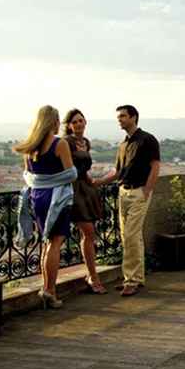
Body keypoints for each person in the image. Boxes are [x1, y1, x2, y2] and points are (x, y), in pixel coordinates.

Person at [14, 105, 77, 309]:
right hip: (56, 198)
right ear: (55, 122)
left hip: (36, 196)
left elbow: (28, 176)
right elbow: (71, 174)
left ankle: (47, 288)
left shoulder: (29, 146)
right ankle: (50, 291)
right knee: (55, 243)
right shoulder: (59, 144)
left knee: (47, 243)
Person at [94, 105, 160, 297]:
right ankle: (135, 278)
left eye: (122, 116)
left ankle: (131, 281)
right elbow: (117, 172)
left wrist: (147, 190)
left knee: (131, 236)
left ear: (134, 117)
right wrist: (98, 182)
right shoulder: (123, 144)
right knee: (130, 237)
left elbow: (155, 166)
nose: (119, 120)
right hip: (123, 192)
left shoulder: (147, 139)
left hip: (139, 192)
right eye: (118, 117)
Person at [62, 108, 107, 294]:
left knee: (89, 233)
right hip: (73, 189)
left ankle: (91, 274)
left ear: (85, 122)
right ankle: (93, 276)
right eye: (74, 122)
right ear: (69, 125)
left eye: (81, 120)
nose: (79, 124)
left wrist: (93, 181)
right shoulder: (66, 142)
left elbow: (84, 168)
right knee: (88, 232)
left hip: (85, 189)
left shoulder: (85, 142)